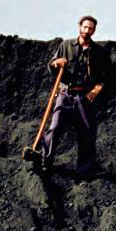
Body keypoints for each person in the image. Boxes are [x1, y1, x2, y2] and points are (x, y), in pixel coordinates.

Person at [41, 14, 110, 178]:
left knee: (87, 132)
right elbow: (51, 65)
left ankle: (84, 172)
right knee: (55, 127)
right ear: (80, 27)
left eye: (90, 28)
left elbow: (107, 75)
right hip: (65, 94)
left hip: (84, 98)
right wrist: (56, 63)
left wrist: (97, 88)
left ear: (94, 31)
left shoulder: (99, 52)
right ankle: (45, 163)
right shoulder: (66, 45)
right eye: (85, 27)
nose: (87, 30)